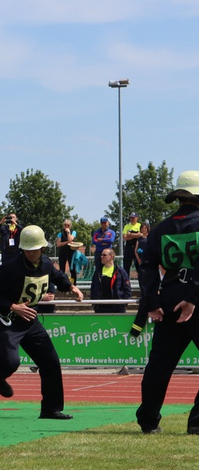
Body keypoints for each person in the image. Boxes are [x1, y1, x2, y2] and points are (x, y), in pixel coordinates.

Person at [0, 225, 84, 420]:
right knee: (11, 362)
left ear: (42, 248)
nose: (31, 253)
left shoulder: (46, 264)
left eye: (35, 250)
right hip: (7, 322)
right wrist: (13, 306)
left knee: (51, 362)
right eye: (27, 250)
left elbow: (58, 276)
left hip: (30, 321)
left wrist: (72, 287)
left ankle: (51, 409)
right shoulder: (9, 268)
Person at [136, 171, 199, 434]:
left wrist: (152, 301)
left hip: (169, 296)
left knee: (159, 365)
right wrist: (192, 297)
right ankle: (197, 423)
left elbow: (146, 266)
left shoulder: (161, 228)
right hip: (196, 299)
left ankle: (148, 420)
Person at [90, 248, 131, 313]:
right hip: (100, 307)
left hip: (117, 307)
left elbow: (127, 288)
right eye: (101, 255)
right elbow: (93, 287)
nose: (101, 257)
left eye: (104, 255)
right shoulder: (98, 271)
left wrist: (124, 303)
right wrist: (94, 302)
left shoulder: (120, 271)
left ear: (111, 256)